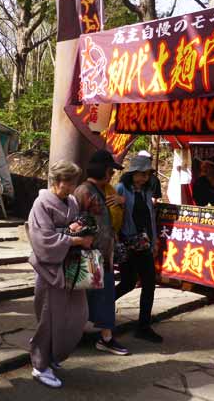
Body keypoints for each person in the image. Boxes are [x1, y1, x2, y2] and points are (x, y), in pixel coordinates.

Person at [27, 160, 93, 389]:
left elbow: (76, 224)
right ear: (57, 181)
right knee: (49, 318)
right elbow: (42, 240)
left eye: (75, 181)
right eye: (70, 181)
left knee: (78, 314)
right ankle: (40, 364)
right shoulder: (41, 203)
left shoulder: (72, 201)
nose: (74, 186)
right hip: (50, 269)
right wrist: (73, 238)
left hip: (72, 266)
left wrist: (82, 229)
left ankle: (54, 354)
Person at [74, 150, 129, 356]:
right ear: (104, 170)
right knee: (91, 298)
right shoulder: (84, 191)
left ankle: (101, 336)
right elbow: (75, 222)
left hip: (101, 255)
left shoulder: (100, 190)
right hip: (90, 255)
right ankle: (102, 337)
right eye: (110, 170)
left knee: (99, 297)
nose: (112, 174)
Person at [115, 155, 162, 343]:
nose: (144, 178)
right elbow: (114, 217)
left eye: (147, 174)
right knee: (128, 282)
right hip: (128, 243)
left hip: (144, 243)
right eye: (141, 174)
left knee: (149, 282)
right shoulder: (121, 189)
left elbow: (151, 217)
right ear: (132, 173)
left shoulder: (147, 191)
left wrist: (154, 240)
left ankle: (144, 326)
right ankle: (97, 307)